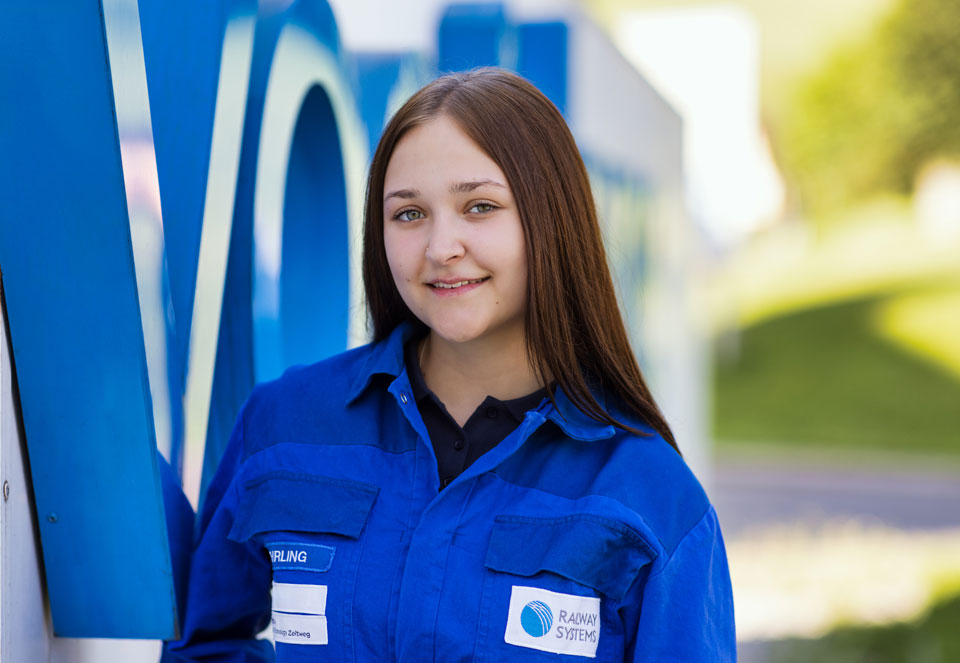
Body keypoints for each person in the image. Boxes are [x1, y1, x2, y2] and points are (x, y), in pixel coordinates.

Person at [165, 67, 735, 662]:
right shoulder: (284, 426)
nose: (441, 248)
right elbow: (205, 645)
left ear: (551, 221)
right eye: (408, 214)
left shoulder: (647, 492)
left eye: (480, 206)